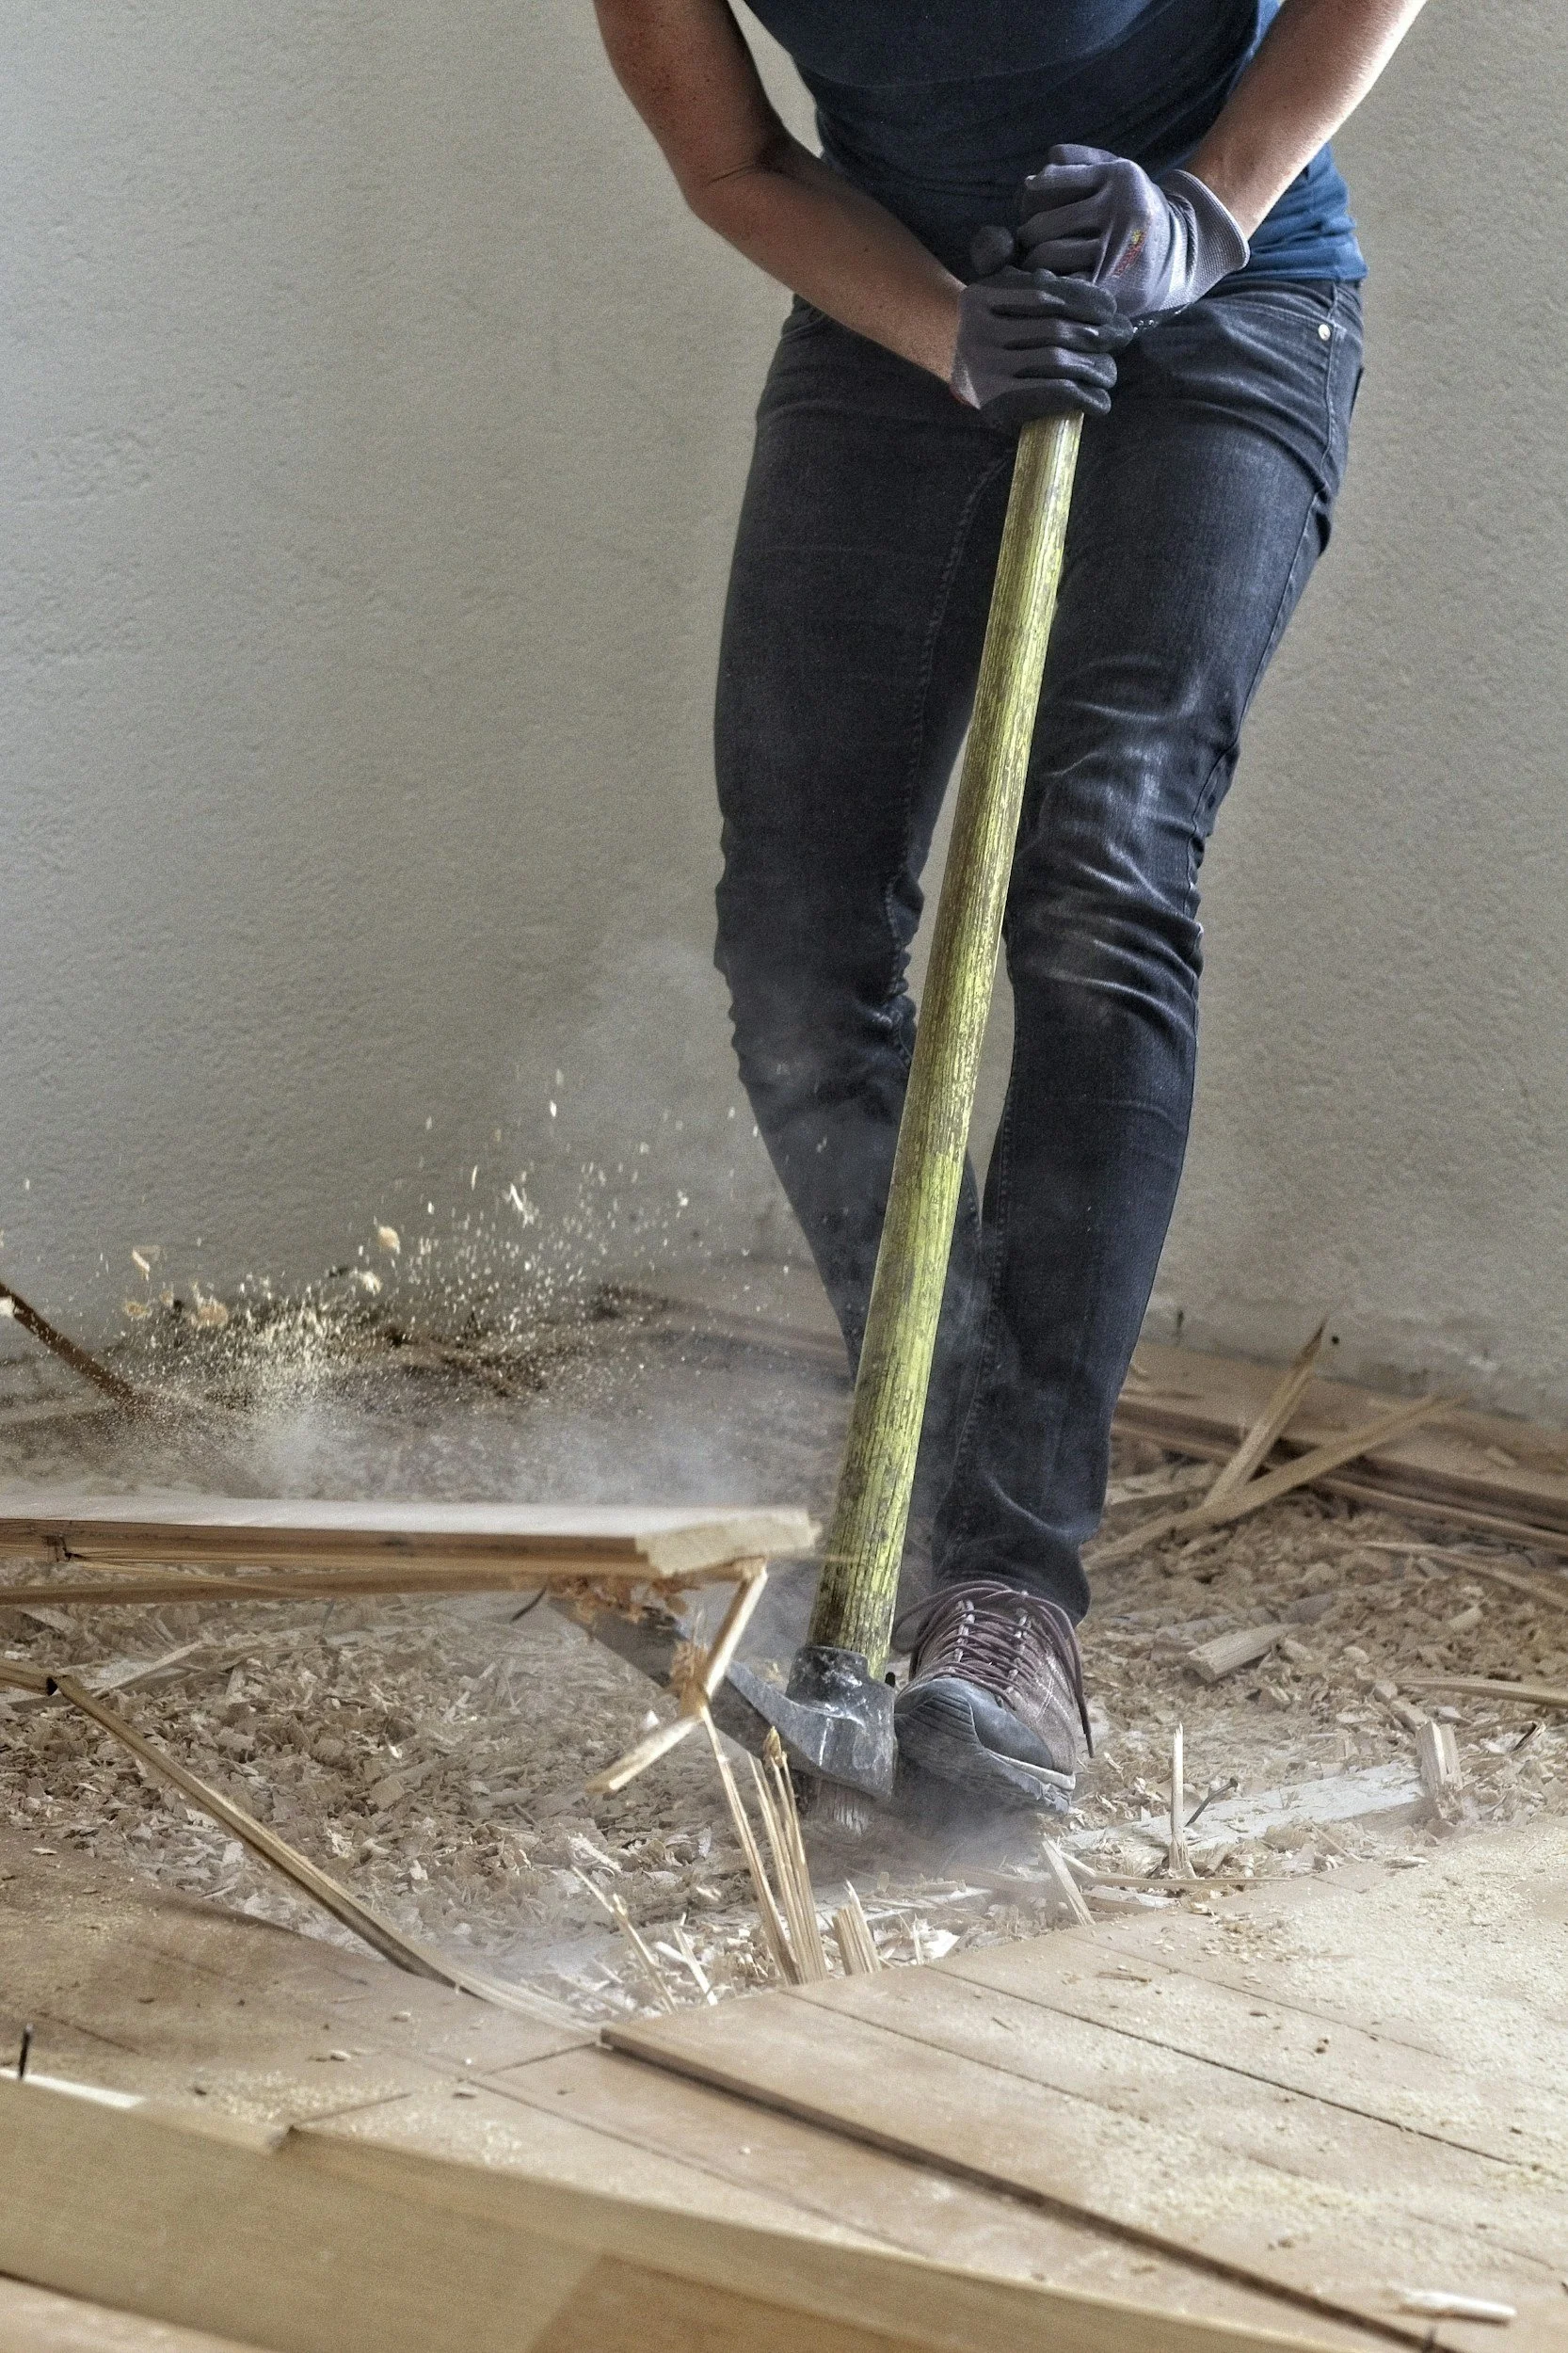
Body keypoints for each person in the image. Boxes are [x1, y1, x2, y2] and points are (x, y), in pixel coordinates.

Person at [593, 0, 1428, 1809]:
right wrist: (955, 337)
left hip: (1230, 294)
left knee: (1096, 870)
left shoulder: (1223, 241)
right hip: (910, 304)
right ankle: (945, 1506)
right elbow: (732, 156)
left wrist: (1203, 207)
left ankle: (1006, 1597)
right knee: (800, 945)